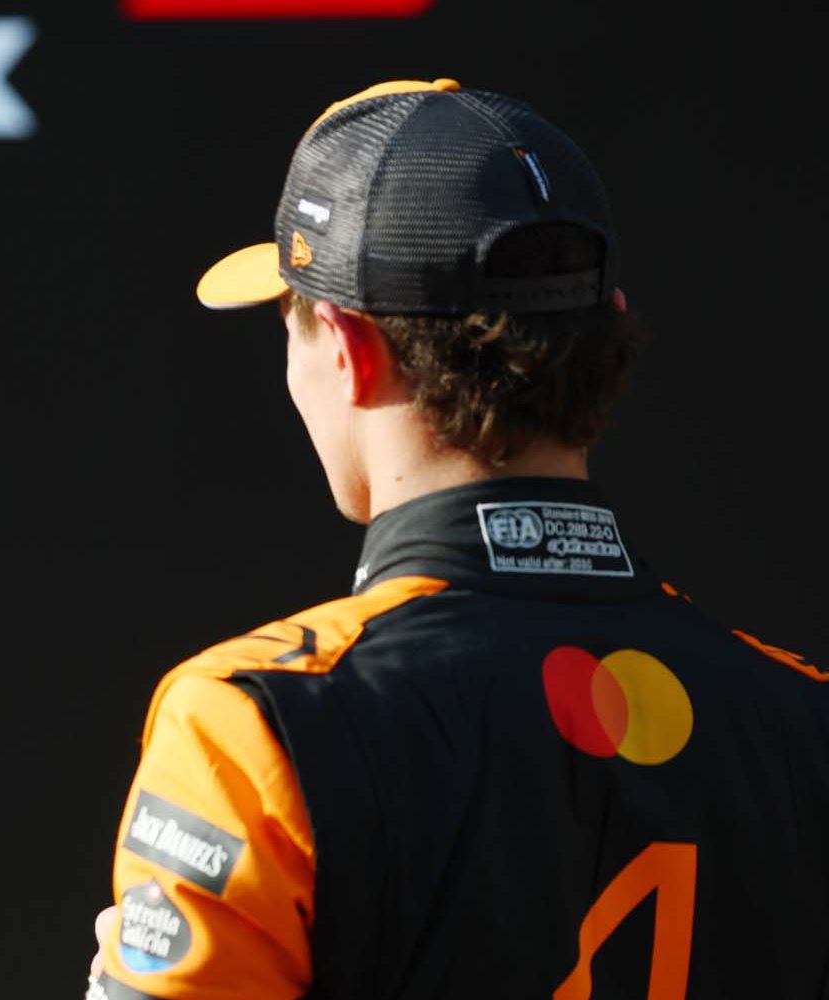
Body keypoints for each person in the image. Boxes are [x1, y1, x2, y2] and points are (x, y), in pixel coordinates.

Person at [87, 77, 829, 999]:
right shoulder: (804, 723)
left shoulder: (253, 729)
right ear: (611, 330)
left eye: (290, 324)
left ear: (350, 349)